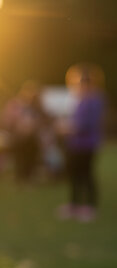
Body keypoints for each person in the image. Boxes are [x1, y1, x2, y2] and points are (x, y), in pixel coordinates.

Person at [58, 65, 105, 222]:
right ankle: (74, 204)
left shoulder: (95, 99)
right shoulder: (80, 99)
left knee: (86, 174)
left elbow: (87, 124)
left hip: (87, 144)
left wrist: (69, 128)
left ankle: (90, 206)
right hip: (74, 144)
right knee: (74, 175)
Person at [4, 81, 49, 183]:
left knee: (31, 157)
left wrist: (34, 125)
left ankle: (29, 178)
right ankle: (20, 178)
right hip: (18, 137)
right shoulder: (15, 104)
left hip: (32, 137)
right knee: (20, 158)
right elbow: (8, 120)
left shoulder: (36, 105)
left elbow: (44, 118)